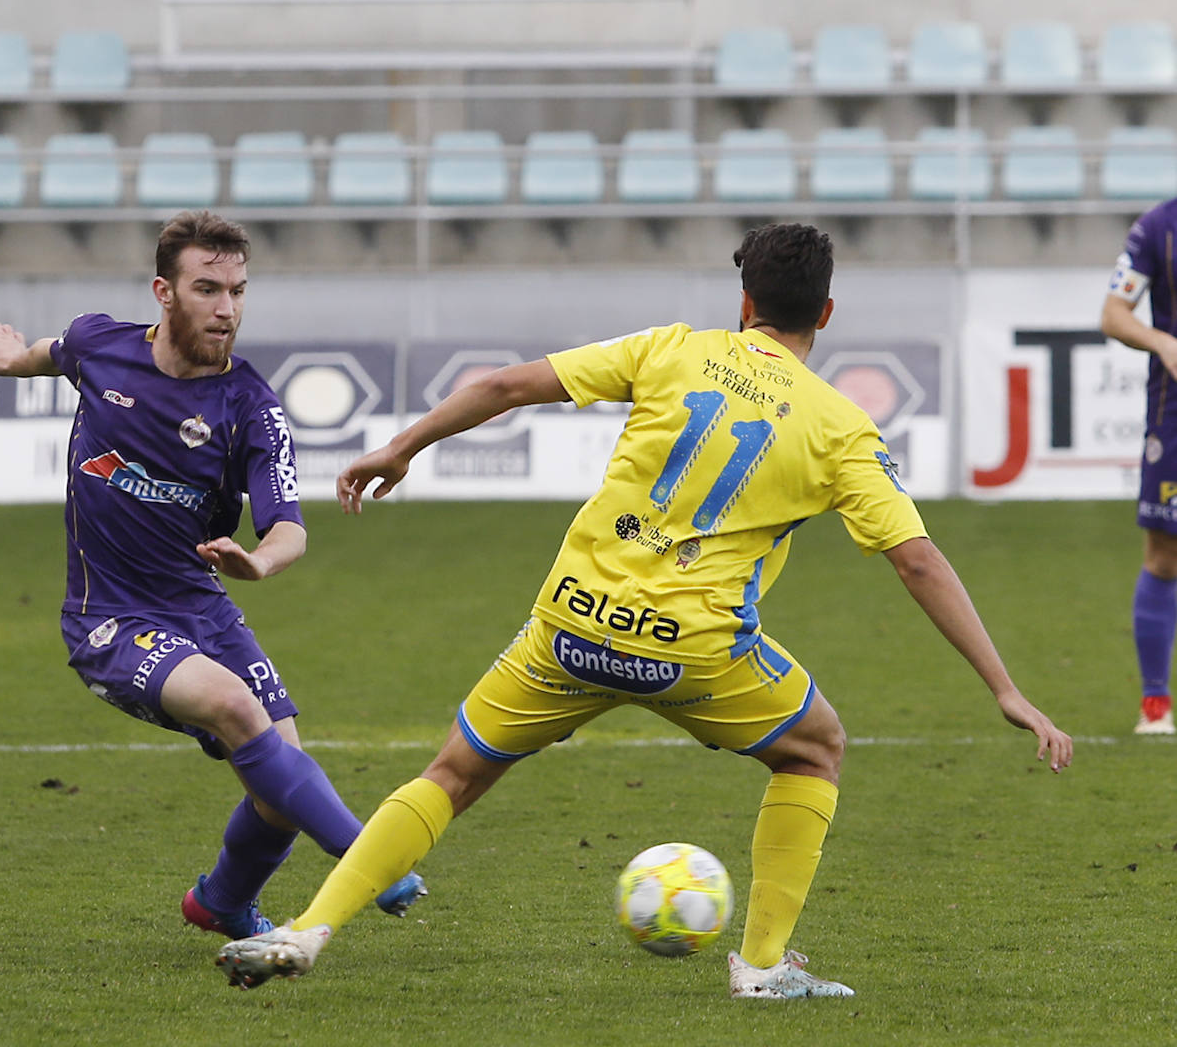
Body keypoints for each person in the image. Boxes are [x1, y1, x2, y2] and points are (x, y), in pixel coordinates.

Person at [216, 222, 1072, 997]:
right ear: (828, 312)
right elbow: (915, 558)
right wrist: (1004, 687)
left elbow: (509, 384)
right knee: (816, 750)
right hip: (692, 652)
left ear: (745, 301)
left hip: (572, 626)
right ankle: (764, 968)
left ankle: (308, 928)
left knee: (450, 776)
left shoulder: (674, 349)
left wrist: (401, 447)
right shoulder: (842, 426)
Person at [0, 209, 425, 944]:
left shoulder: (251, 406)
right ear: (164, 291)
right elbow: (47, 356)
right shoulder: (100, 344)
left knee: (282, 784)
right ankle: (370, 859)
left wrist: (260, 561)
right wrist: (8, 355)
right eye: (208, 288)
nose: (226, 308)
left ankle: (220, 902)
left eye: (238, 291)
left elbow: (289, 528)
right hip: (108, 618)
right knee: (238, 712)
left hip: (203, 610)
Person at [1101, 196, 1177, 735]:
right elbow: (1113, 314)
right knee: (1165, 555)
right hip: (1173, 413)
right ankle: (1156, 704)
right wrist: (1163, 343)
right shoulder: (1158, 227)